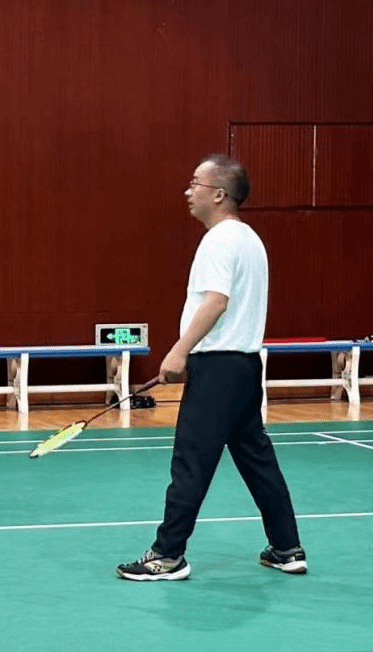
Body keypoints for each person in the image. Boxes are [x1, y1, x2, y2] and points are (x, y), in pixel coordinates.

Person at [117, 154, 306, 581]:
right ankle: (286, 548)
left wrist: (178, 351)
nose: (188, 191)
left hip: (217, 369)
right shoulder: (250, 239)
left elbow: (216, 301)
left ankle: (167, 556)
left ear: (218, 194)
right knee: (257, 460)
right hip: (245, 368)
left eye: (195, 183)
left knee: (191, 461)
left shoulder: (219, 240)